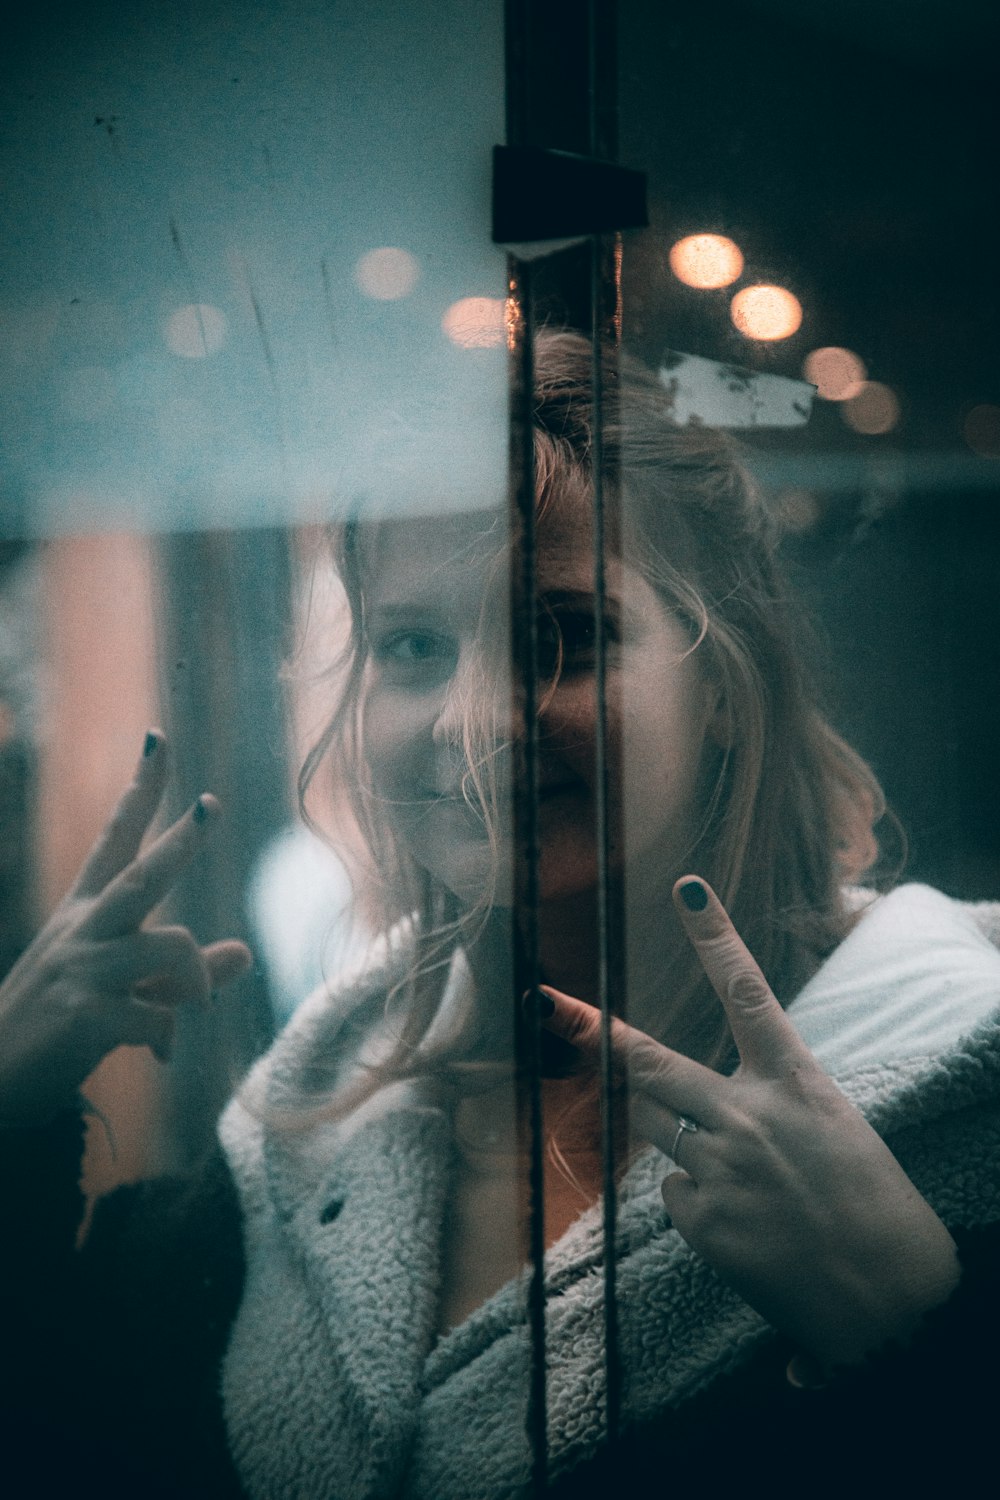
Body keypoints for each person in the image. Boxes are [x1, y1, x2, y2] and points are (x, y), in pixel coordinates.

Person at [2, 332, 999, 1497]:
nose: (472, 728)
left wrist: (913, 1335)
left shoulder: (950, 1110)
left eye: (559, 638)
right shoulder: (314, 1114)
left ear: (725, 685)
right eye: (411, 645)